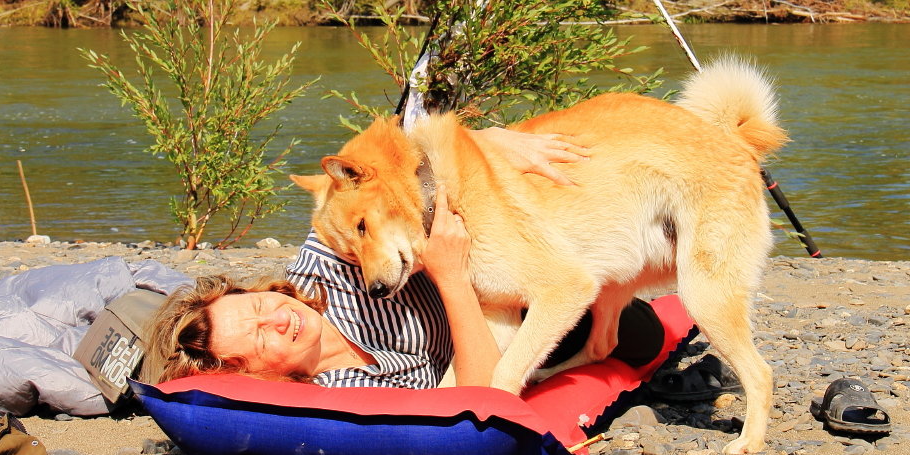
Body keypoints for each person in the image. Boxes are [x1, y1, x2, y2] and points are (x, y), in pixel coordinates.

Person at [140, 127, 677, 389]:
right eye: (259, 339)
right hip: (507, 319)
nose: (277, 320)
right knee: (639, 336)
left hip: (512, 253)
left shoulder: (327, 265)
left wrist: (487, 141)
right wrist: (448, 276)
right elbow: (482, 385)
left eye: (257, 308)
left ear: (260, 291)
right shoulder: (346, 390)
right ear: (251, 373)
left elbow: (393, 158)